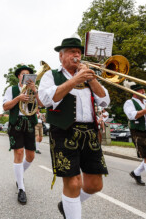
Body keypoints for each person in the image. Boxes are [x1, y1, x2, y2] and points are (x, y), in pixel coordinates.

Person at [38, 37, 110, 219]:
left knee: (95, 185)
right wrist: (75, 79)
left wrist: (92, 79)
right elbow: (46, 100)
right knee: (73, 183)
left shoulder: (89, 75)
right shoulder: (51, 75)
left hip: (90, 132)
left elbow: (105, 100)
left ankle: (68, 205)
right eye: (71, 51)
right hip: (63, 130)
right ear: (61, 56)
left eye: (78, 51)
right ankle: (72, 210)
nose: (76, 54)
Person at [3, 65, 43, 205]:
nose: (25, 76)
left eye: (28, 74)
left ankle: (19, 176)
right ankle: (21, 188)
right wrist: (18, 98)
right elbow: (5, 106)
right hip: (16, 123)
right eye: (23, 74)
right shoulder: (11, 89)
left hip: (30, 123)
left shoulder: (34, 88)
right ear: (19, 76)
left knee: (31, 156)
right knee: (19, 153)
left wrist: (35, 91)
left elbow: (42, 104)